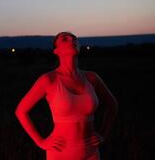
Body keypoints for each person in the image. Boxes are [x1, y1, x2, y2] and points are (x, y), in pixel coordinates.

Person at [15, 31, 118, 160]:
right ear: (56, 51)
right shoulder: (48, 80)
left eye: (74, 38)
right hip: (61, 152)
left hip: (91, 152)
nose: (71, 40)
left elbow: (113, 105)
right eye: (65, 39)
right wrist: (40, 142)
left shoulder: (92, 78)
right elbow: (21, 111)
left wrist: (103, 134)